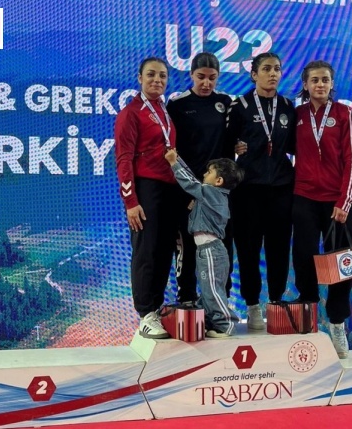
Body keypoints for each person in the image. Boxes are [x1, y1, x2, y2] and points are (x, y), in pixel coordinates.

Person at [291, 60, 352, 358]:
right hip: (304, 197)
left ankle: (336, 323)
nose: (320, 84)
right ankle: (308, 316)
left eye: (325, 80)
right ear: (305, 84)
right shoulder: (297, 115)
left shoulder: (344, 113)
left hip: (337, 202)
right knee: (304, 258)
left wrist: (344, 201)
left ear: (332, 84)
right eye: (315, 80)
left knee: (342, 265)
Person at [114, 57, 186, 339]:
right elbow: (123, 159)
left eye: (163, 76)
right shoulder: (131, 113)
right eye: (151, 75)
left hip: (169, 189)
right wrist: (131, 202)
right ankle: (145, 313)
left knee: (164, 250)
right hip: (146, 188)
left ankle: (155, 308)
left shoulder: (163, 110)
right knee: (146, 251)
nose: (157, 80)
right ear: (140, 78)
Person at [226, 52, 296, 330]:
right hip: (247, 190)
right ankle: (253, 305)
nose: (273, 74)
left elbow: (295, 146)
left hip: (281, 189)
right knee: (248, 250)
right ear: (254, 74)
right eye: (266, 69)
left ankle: (276, 301)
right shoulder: (239, 106)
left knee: (279, 250)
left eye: (277, 69)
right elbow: (225, 144)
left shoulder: (288, 107)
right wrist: (235, 148)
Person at [166, 52, 234, 304]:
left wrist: (239, 145)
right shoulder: (177, 104)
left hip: (217, 191)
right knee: (187, 245)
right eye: (201, 77)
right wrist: (187, 189)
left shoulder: (225, 102)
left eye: (212, 78)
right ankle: (186, 299)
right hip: (187, 189)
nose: (206, 83)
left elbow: (231, 142)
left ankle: (220, 302)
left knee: (221, 247)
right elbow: (170, 147)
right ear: (191, 75)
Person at [164, 149, 242, 337]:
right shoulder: (211, 196)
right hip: (207, 251)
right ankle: (213, 321)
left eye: (209, 172)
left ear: (219, 181)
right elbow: (194, 182)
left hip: (211, 251)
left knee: (212, 291)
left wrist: (174, 163)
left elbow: (190, 183)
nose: (204, 174)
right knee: (208, 291)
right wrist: (179, 157)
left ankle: (226, 324)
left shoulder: (211, 193)